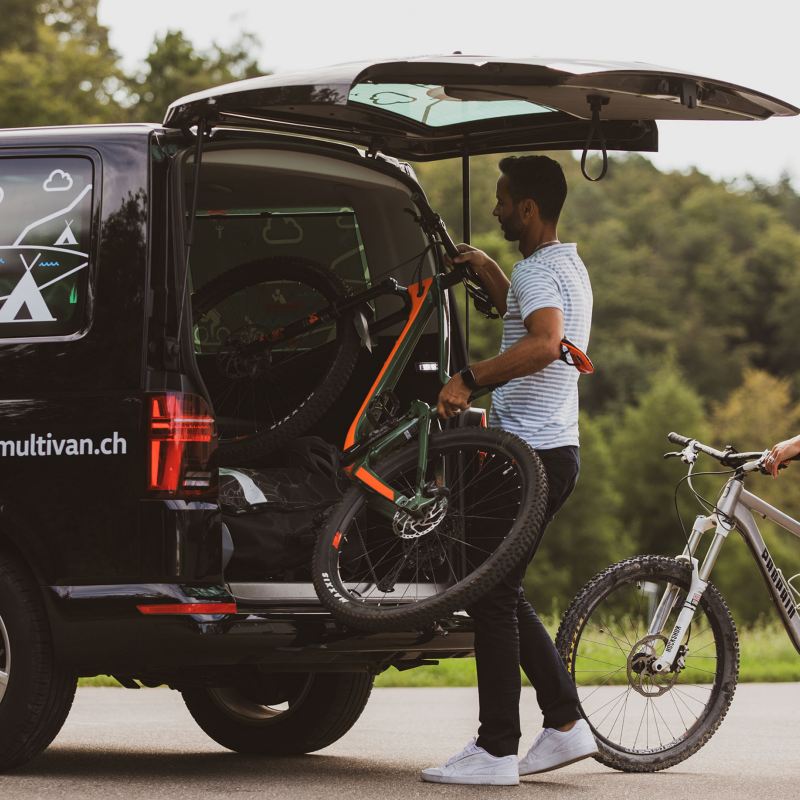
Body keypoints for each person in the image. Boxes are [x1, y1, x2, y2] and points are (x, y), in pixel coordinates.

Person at [421, 156, 597, 786]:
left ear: (527, 208)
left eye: (501, 201)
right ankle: (565, 724)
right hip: (552, 452)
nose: (495, 209)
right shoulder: (563, 267)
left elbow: (546, 343)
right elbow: (528, 320)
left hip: (529, 457)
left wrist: (467, 379)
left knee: (490, 595)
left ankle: (496, 750)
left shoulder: (539, 271)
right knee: (501, 588)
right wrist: (492, 272)